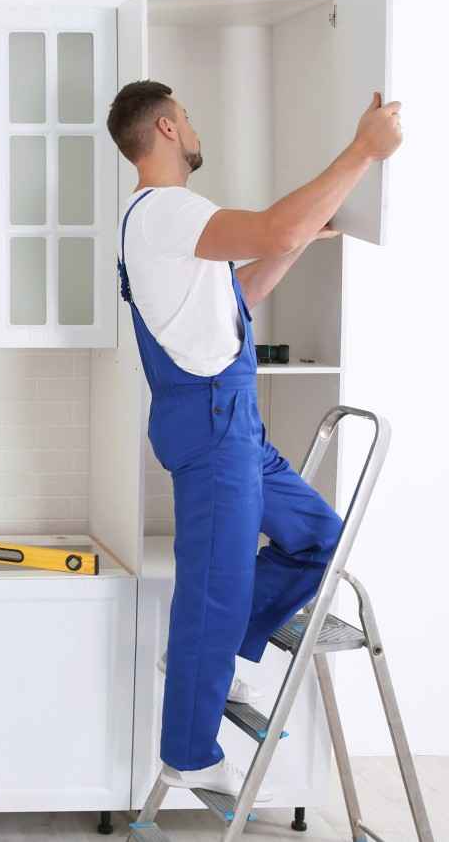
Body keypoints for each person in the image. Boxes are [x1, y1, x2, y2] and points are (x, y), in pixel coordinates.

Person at [106, 80, 402, 800]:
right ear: (167, 127)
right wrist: (363, 151)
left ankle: (210, 653)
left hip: (228, 423)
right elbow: (272, 228)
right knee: (214, 588)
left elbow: (242, 292)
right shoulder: (169, 210)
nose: (194, 126)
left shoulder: (160, 223)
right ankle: (189, 753)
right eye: (188, 116)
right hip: (213, 426)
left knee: (319, 539)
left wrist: (297, 238)